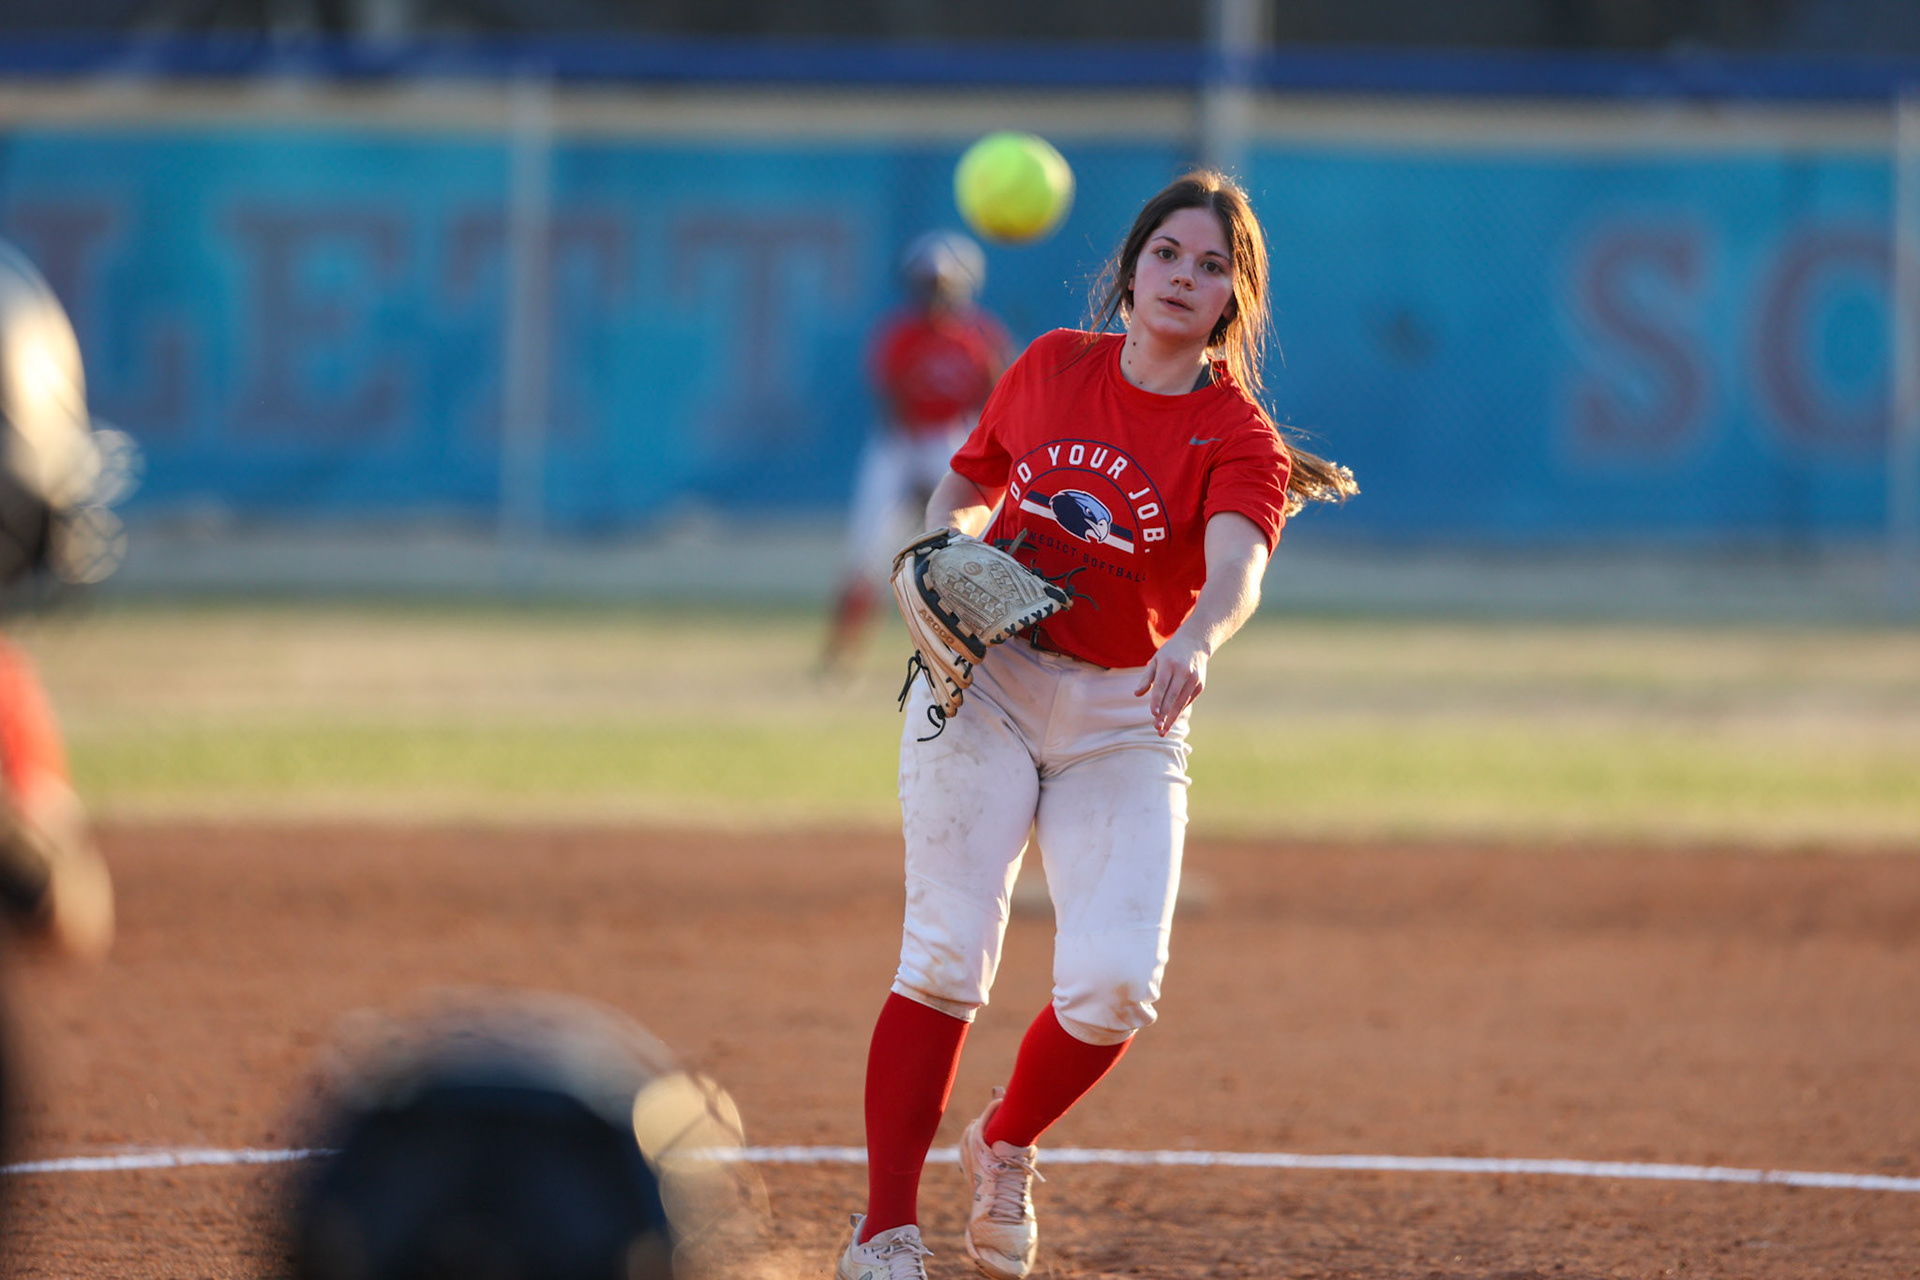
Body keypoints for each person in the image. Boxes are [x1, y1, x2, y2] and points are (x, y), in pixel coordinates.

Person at [834, 171, 1356, 1280]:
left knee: (1116, 985)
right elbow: (966, 487)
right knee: (944, 954)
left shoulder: (1236, 432)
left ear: (1233, 300)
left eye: (1213, 265)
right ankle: (884, 1228)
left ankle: (1005, 1139)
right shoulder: (1050, 366)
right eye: (1169, 252)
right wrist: (941, 553)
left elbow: (1238, 568)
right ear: (1132, 267)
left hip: (1128, 709)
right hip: (992, 678)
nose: (1185, 277)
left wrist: (1197, 640)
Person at [819, 230, 1013, 677]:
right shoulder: (900, 335)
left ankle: (982, 655)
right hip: (901, 442)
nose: (932, 295)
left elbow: (994, 399)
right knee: (866, 553)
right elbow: (890, 403)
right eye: (926, 285)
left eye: (941, 285)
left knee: (974, 551)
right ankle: (840, 657)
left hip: (952, 440)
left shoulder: (980, 338)